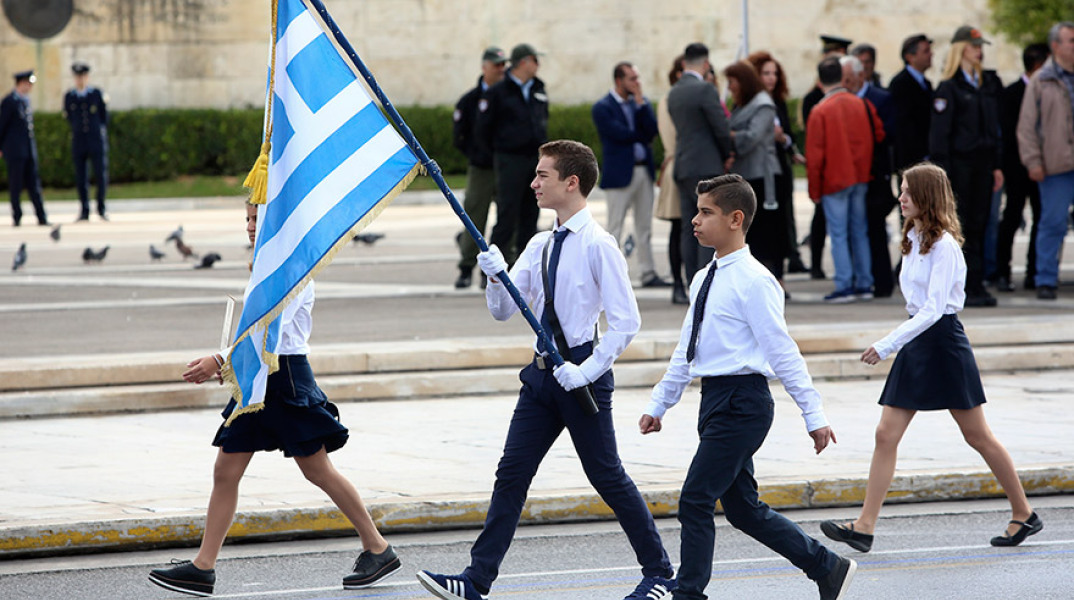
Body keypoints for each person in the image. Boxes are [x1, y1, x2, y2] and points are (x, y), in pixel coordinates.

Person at [417, 140, 675, 600]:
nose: (533, 183)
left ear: (571, 183)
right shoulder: (540, 244)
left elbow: (627, 321)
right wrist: (495, 276)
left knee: (607, 476)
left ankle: (660, 574)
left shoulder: (599, 245)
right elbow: (503, 311)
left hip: (580, 378)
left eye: (543, 176)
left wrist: (589, 369)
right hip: (539, 377)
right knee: (511, 473)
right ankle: (476, 580)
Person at [148, 203, 399, 597]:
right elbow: (256, 333)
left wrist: (220, 360)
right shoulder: (269, 265)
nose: (250, 227)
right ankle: (203, 566)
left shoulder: (291, 266)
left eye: (257, 219)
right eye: (246, 219)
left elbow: (269, 329)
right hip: (260, 378)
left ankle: (377, 546)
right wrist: (231, 365)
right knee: (225, 470)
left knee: (317, 469)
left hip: (285, 381)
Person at [642, 173, 855, 600]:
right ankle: (826, 566)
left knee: (696, 499)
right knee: (743, 510)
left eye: (706, 212)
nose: (695, 221)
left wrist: (814, 415)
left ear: (736, 218)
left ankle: (688, 593)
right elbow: (687, 349)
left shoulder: (756, 281)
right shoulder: (704, 278)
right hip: (715, 400)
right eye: (696, 211)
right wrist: (659, 404)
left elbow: (783, 352)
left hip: (744, 402)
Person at [820, 163, 1042, 554]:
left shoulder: (945, 248)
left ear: (925, 197)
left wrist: (886, 345)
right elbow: (915, 307)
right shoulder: (912, 237)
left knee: (977, 436)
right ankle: (864, 527)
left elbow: (934, 310)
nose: (900, 197)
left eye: (906, 192)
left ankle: (1024, 512)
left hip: (942, 343)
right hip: (918, 341)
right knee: (885, 434)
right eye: (901, 190)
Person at [929, 25, 1004, 308]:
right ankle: (964, 285)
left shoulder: (985, 85)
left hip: (983, 165)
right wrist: (943, 175)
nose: (979, 51)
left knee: (981, 222)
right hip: (959, 166)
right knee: (960, 227)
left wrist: (997, 164)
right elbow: (939, 137)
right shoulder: (949, 88)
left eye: (980, 46)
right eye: (973, 46)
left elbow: (995, 129)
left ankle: (977, 282)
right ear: (961, 48)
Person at [806, 57, 883, 303]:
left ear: (819, 81)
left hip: (834, 180)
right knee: (859, 230)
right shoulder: (860, 103)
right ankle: (864, 282)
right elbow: (875, 136)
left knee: (838, 234)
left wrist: (814, 189)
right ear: (842, 76)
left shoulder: (820, 110)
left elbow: (815, 156)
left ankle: (844, 284)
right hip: (860, 176)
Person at [592, 61, 669, 288]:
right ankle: (610, 276)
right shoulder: (603, 107)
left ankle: (648, 272)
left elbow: (652, 129)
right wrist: (641, 135)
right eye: (632, 79)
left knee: (644, 225)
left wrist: (641, 104)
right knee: (615, 226)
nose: (637, 83)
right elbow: (619, 134)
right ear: (619, 81)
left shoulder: (639, 104)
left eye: (637, 78)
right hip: (619, 174)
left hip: (643, 170)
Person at [477, 43, 549, 266]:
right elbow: (483, 129)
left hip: (533, 160)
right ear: (524, 62)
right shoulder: (499, 91)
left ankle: (525, 268)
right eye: (535, 60)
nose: (538, 65)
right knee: (507, 215)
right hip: (510, 160)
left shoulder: (538, 87)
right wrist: (500, 153)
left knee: (531, 214)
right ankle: (492, 271)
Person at [667, 42, 732, 283]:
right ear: (706, 64)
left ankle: (691, 280)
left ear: (684, 63)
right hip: (706, 167)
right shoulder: (705, 90)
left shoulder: (674, 92)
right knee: (709, 224)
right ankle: (705, 282)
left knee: (689, 225)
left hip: (684, 165)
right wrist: (728, 153)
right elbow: (720, 128)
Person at [1018, 22, 1074, 301]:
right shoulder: (1042, 79)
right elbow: (1027, 125)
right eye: (1071, 41)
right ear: (1056, 46)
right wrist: (1033, 161)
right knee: (1052, 223)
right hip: (1056, 166)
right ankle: (1045, 279)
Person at [723, 61, 787, 286]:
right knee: (752, 231)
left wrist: (728, 135)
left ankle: (775, 280)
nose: (729, 87)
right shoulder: (741, 105)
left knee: (767, 231)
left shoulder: (763, 104)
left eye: (732, 81)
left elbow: (751, 138)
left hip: (763, 176)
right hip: (747, 174)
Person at [746, 51, 808, 277]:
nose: (771, 78)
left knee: (782, 222)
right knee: (762, 226)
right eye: (765, 73)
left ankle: (780, 273)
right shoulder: (751, 104)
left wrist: (783, 139)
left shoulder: (778, 103)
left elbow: (789, 136)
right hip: (759, 173)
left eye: (774, 73)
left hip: (780, 169)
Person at [996, 43, 1050, 293]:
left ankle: (1034, 271)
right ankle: (1002, 270)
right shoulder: (1011, 94)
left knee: (1042, 219)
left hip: (1044, 167)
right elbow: (1008, 134)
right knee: (1012, 217)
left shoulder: (1048, 91)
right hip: (1017, 167)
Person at [453, 47, 507, 289]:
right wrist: (477, 155)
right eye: (496, 65)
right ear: (484, 67)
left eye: (503, 65)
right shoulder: (470, 101)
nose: (501, 69)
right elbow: (459, 137)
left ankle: (497, 270)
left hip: (506, 167)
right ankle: (466, 268)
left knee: (507, 219)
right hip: (481, 168)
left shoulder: (509, 97)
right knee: (474, 217)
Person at [845, 54, 898, 298]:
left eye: (848, 78)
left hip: (875, 175)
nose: (845, 83)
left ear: (860, 76)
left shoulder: (881, 99)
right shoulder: (841, 100)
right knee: (852, 228)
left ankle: (882, 282)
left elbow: (887, 135)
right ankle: (860, 277)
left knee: (875, 228)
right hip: (850, 175)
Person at [802, 35, 852, 280]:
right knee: (824, 221)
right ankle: (817, 264)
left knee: (842, 228)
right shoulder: (815, 100)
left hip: (839, 174)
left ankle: (847, 277)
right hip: (833, 174)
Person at [655, 55, 690, 305]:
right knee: (679, 227)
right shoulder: (669, 99)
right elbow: (672, 138)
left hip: (688, 163)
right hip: (679, 164)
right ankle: (678, 283)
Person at [0, 69, 48, 227]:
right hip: (14, 151)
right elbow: (2, 126)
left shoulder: (25, 100)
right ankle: (17, 217)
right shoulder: (9, 102)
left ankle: (41, 217)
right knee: (15, 185)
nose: (30, 87)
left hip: (28, 151)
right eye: (28, 84)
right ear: (21, 83)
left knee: (34, 185)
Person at [63, 62, 109, 222]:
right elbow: (69, 116)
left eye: (82, 76)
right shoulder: (70, 96)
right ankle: (84, 210)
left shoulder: (96, 94)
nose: (80, 79)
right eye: (77, 76)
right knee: (81, 177)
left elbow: (104, 117)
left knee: (100, 175)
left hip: (96, 140)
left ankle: (101, 208)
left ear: (87, 77)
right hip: (79, 141)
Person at [888, 34, 935, 174]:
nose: (931, 54)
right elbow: (903, 126)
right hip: (911, 162)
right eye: (925, 51)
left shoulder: (926, 84)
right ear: (910, 57)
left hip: (925, 158)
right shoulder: (900, 84)